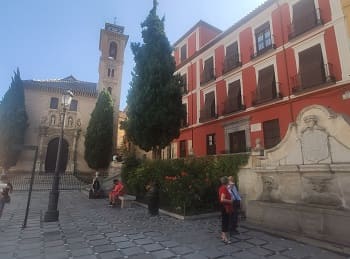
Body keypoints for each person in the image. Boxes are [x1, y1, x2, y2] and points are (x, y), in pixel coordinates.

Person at [218, 176, 233, 244]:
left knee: (224, 222)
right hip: (225, 207)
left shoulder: (222, 187)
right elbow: (222, 199)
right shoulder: (224, 188)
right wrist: (230, 201)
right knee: (225, 222)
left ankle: (223, 236)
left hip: (224, 207)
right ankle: (225, 238)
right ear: (227, 182)